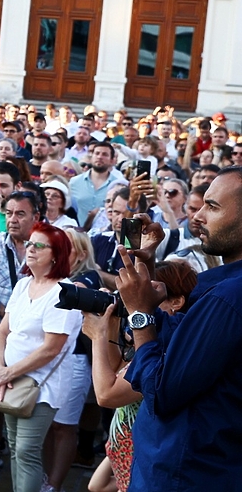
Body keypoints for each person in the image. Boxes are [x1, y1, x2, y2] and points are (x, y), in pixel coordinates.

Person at [115, 166, 242, 491]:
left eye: (212, 207)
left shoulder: (228, 298)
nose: (197, 216)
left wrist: (140, 315)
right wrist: (147, 267)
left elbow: (160, 392)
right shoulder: (221, 286)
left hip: (186, 472)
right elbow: (180, 337)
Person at [84, 260, 198, 492]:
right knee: (97, 485)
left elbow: (106, 394)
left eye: (150, 296)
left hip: (146, 455)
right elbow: (118, 368)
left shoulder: (169, 351)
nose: (137, 303)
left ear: (176, 302)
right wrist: (113, 322)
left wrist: (97, 337)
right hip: (128, 450)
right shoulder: (153, 340)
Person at [0, 223, 82, 492]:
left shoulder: (63, 293)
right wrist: (0, 371)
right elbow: (3, 332)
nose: (30, 249)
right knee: (16, 448)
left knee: (28, 449)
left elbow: (51, 348)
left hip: (42, 384)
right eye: (29, 243)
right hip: (10, 379)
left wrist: (10, 372)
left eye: (39, 245)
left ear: (56, 254)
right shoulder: (22, 285)